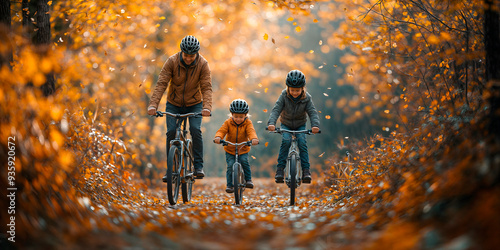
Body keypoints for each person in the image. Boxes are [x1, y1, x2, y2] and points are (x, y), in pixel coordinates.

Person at [147, 35, 212, 180]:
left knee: (195, 130)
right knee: (170, 132)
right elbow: (161, 84)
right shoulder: (172, 62)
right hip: (174, 104)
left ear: (196, 54)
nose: (189, 58)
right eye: (186, 55)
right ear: (181, 52)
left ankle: (198, 166)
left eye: (192, 56)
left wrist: (206, 107)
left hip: (195, 104)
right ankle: (171, 169)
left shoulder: (203, 64)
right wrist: (153, 105)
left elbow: (206, 87)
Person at [267, 69, 320, 184]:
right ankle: (280, 170)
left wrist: (315, 125)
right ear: (288, 88)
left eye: (297, 90)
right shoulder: (283, 96)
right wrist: (271, 123)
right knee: (286, 141)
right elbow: (276, 109)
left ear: (303, 89)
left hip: (300, 125)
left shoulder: (307, 98)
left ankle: (306, 171)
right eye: (292, 90)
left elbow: (312, 112)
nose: (295, 92)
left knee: (302, 143)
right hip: (286, 124)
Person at [214, 99, 259, 193]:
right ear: (231, 115)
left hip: (243, 149)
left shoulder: (248, 123)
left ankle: (248, 180)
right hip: (230, 149)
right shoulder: (228, 122)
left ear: (246, 115)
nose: (238, 119)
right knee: (230, 166)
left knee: (244, 161)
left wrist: (253, 139)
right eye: (236, 116)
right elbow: (221, 131)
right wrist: (218, 137)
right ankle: (229, 185)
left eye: (241, 117)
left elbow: (251, 131)